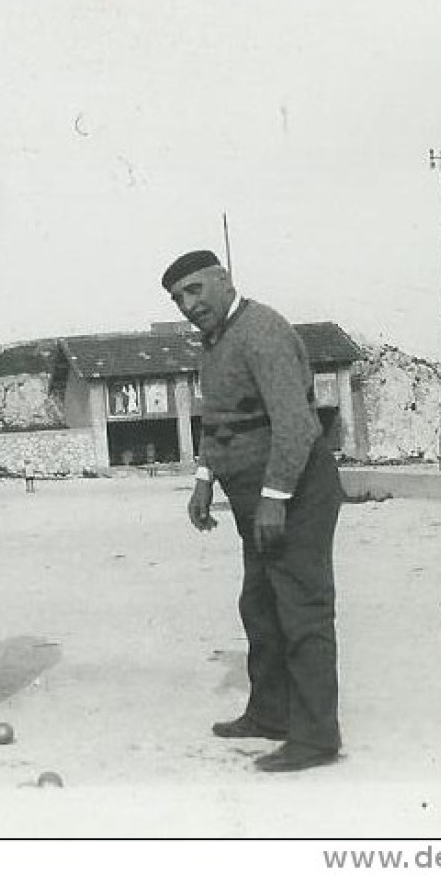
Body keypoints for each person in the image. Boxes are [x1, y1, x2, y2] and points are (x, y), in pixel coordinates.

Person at [163, 250, 344, 773]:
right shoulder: (215, 342)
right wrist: (204, 479)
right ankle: (271, 714)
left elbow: (296, 424)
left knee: (302, 609)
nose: (188, 305)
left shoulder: (262, 330)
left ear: (223, 281)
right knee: (260, 605)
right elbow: (221, 420)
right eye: (178, 298)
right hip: (253, 495)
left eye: (195, 290)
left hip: (294, 492)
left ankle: (315, 739)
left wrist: (275, 496)